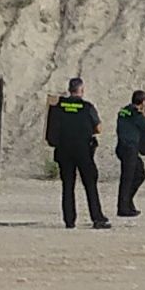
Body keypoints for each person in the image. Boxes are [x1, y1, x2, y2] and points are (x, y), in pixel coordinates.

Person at [47, 77, 111, 230]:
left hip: (64, 150)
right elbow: (99, 128)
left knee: (68, 186)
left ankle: (69, 220)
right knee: (90, 185)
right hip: (83, 151)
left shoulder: (58, 107)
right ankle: (97, 218)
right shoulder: (87, 107)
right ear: (81, 90)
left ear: (69, 90)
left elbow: (51, 131)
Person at [113, 89, 145, 218]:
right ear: (143, 102)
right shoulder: (137, 115)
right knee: (128, 178)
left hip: (122, 147)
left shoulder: (124, 110)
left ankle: (127, 202)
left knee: (139, 173)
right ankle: (123, 208)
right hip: (130, 149)